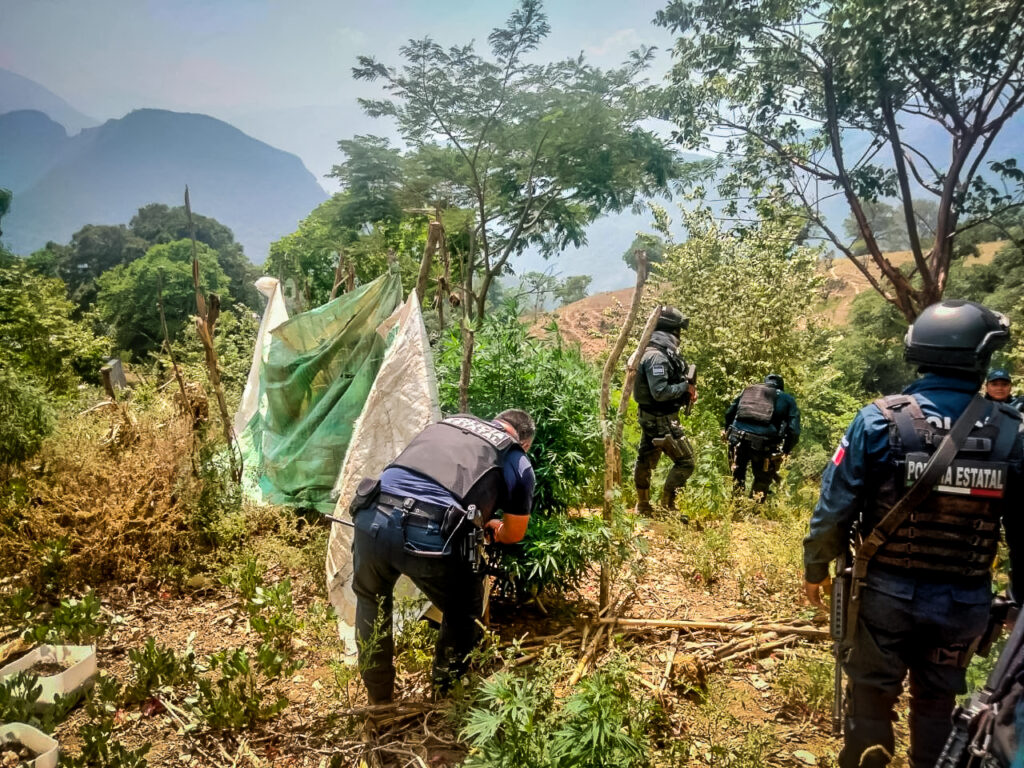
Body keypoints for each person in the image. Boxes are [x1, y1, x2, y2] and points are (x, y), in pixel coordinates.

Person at [802, 299, 1024, 768]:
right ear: (980, 358)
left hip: (885, 597)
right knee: (937, 705)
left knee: (870, 694)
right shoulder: (1012, 432)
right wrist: (1016, 600)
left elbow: (835, 505)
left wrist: (815, 567)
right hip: (963, 604)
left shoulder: (879, 419)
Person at [350, 409, 536, 704]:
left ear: (494, 420)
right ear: (525, 443)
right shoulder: (516, 458)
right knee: (463, 612)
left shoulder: (447, 424)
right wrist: (495, 528)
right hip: (431, 534)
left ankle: (378, 700)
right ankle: (445, 696)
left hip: (372, 514)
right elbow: (513, 533)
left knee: (372, 602)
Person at [632, 307, 697, 517]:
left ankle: (643, 505)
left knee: (645, 460)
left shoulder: (655, 351)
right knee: (686, 462)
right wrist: (684, 388)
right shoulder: (656, 357)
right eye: (678, 330)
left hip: (652, 418)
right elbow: (660, 392)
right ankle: (667, 508)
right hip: (662, 419)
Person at [723, 374, 801, 501]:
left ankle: (736, 506)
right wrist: (786, 449)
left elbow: (729, 413)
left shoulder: (748, 391)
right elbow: (794, 430)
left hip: (736, 439)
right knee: (762, 479)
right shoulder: (787, 399)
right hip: (763, 445)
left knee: (737, 474)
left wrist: (727, 431)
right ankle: (753, 510)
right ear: (781, 387)